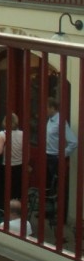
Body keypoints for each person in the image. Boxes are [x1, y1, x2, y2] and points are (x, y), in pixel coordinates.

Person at [45, 97, 79, 226]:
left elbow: (73, 142)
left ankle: (59, 217)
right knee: (49, 187)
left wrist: (62, 154)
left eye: (47, 107)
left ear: (53, 108)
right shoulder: (49, 120)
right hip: (47, 156)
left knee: (57, 187)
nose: (45, 110)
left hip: (55, 158)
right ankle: (48, 212)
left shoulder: (60, 122)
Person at [0, 112, 25, 204]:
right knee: (16, 192)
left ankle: (1, 212)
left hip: (6, 167)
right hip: (19, 167)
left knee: (4, 191)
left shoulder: (3, 134)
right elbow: (26, 151)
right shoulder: (23, 134)